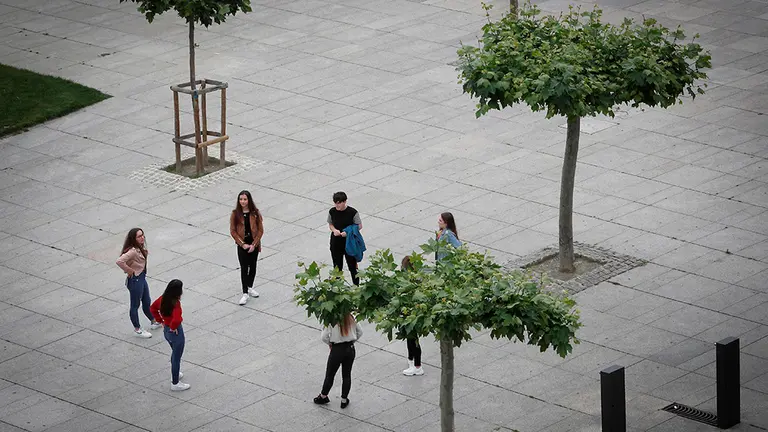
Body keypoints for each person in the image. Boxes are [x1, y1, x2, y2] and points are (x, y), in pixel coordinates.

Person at [116, 228, 161, 338]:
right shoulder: (132, 251)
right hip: (135, 279)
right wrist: (129, 270)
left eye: (142, 235)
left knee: (146, 301)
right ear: (134, 239)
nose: (142, 237)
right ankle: (137, 329)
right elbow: (119, 261)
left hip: (141, 277)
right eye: (139, 236)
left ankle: (154, 321)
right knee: (135, 305)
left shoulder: (139, 248)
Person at [314, 313, 363, 408]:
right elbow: (360, 332)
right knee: (346, 375)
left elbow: (324, 337)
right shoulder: (351, 316)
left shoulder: (330, 318)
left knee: (330, 374)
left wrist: (330, 343)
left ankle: (323, 396)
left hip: (337, 349)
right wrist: (352, 340)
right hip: (350, 348)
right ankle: (344, 400)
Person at [150, 279, 189, 391]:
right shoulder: (175, 303)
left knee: (174, 354)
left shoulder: (162, 299)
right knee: (176, 357)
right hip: (175, 332)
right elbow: (177, 319)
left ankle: (175, 373)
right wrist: (173, 327)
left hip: (166, 330)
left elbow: (152, 308)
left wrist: (160, 321)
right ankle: (175, 383)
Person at [230, 190, 264, 305]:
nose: (243, 202)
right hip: (242, 244)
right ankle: (245, 292)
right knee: (244, 268)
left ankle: (250, 286)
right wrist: (242, 244)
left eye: (245, 199)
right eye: (241, 199)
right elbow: (233, 231)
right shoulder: (235, 214)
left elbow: (260, 230)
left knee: (253, 266)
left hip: (253, 243)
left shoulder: (255, 213)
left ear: (249, 200)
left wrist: (254, 244)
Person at [327, 192, 362, 285]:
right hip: (336, 242)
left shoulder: (352, 212)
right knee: (337, 267)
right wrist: (334, 230)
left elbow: (359, 226)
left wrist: (348, 232)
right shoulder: (332, 211)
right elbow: (330, 224)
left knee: (352, 267)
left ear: (345, 201)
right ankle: (338, 287)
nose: (337, 205)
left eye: (339, 203)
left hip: (349, 242)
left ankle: (356, 286)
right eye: (335, 203)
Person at [400, 256, 424, 376]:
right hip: (414, 313)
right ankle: (412, 362)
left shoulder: (408, 279)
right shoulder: (418, 277)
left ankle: (417, 366)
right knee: (412, 339)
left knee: (412, 340)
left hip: (411, 314)